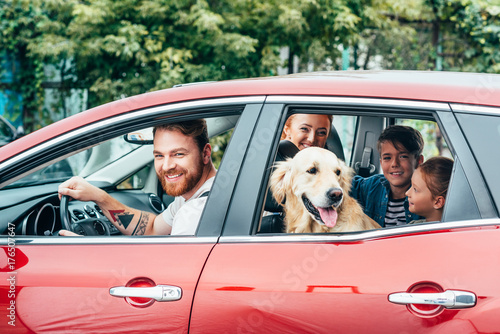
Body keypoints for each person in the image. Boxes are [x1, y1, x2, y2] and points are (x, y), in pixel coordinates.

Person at [58, 119, 216, 236]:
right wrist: (99, 197)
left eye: (178, 154)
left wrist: (85, 252)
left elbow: (163, 276)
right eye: (159, 155)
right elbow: (151, 228)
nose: (167, 166)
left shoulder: (194, 213)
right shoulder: (195, 196)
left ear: (205, 154)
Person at [350, 125, 424, 227]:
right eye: (387, 158)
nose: (394, 164)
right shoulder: (370, 187)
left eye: (403, 156)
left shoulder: (427, 195)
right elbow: (339, 183)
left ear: (419, 161)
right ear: (381, 162)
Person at [406, 156, 453, 223]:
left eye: (415, 189)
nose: (407, 193)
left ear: (438, 202)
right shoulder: (413, 225)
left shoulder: (413, 229)